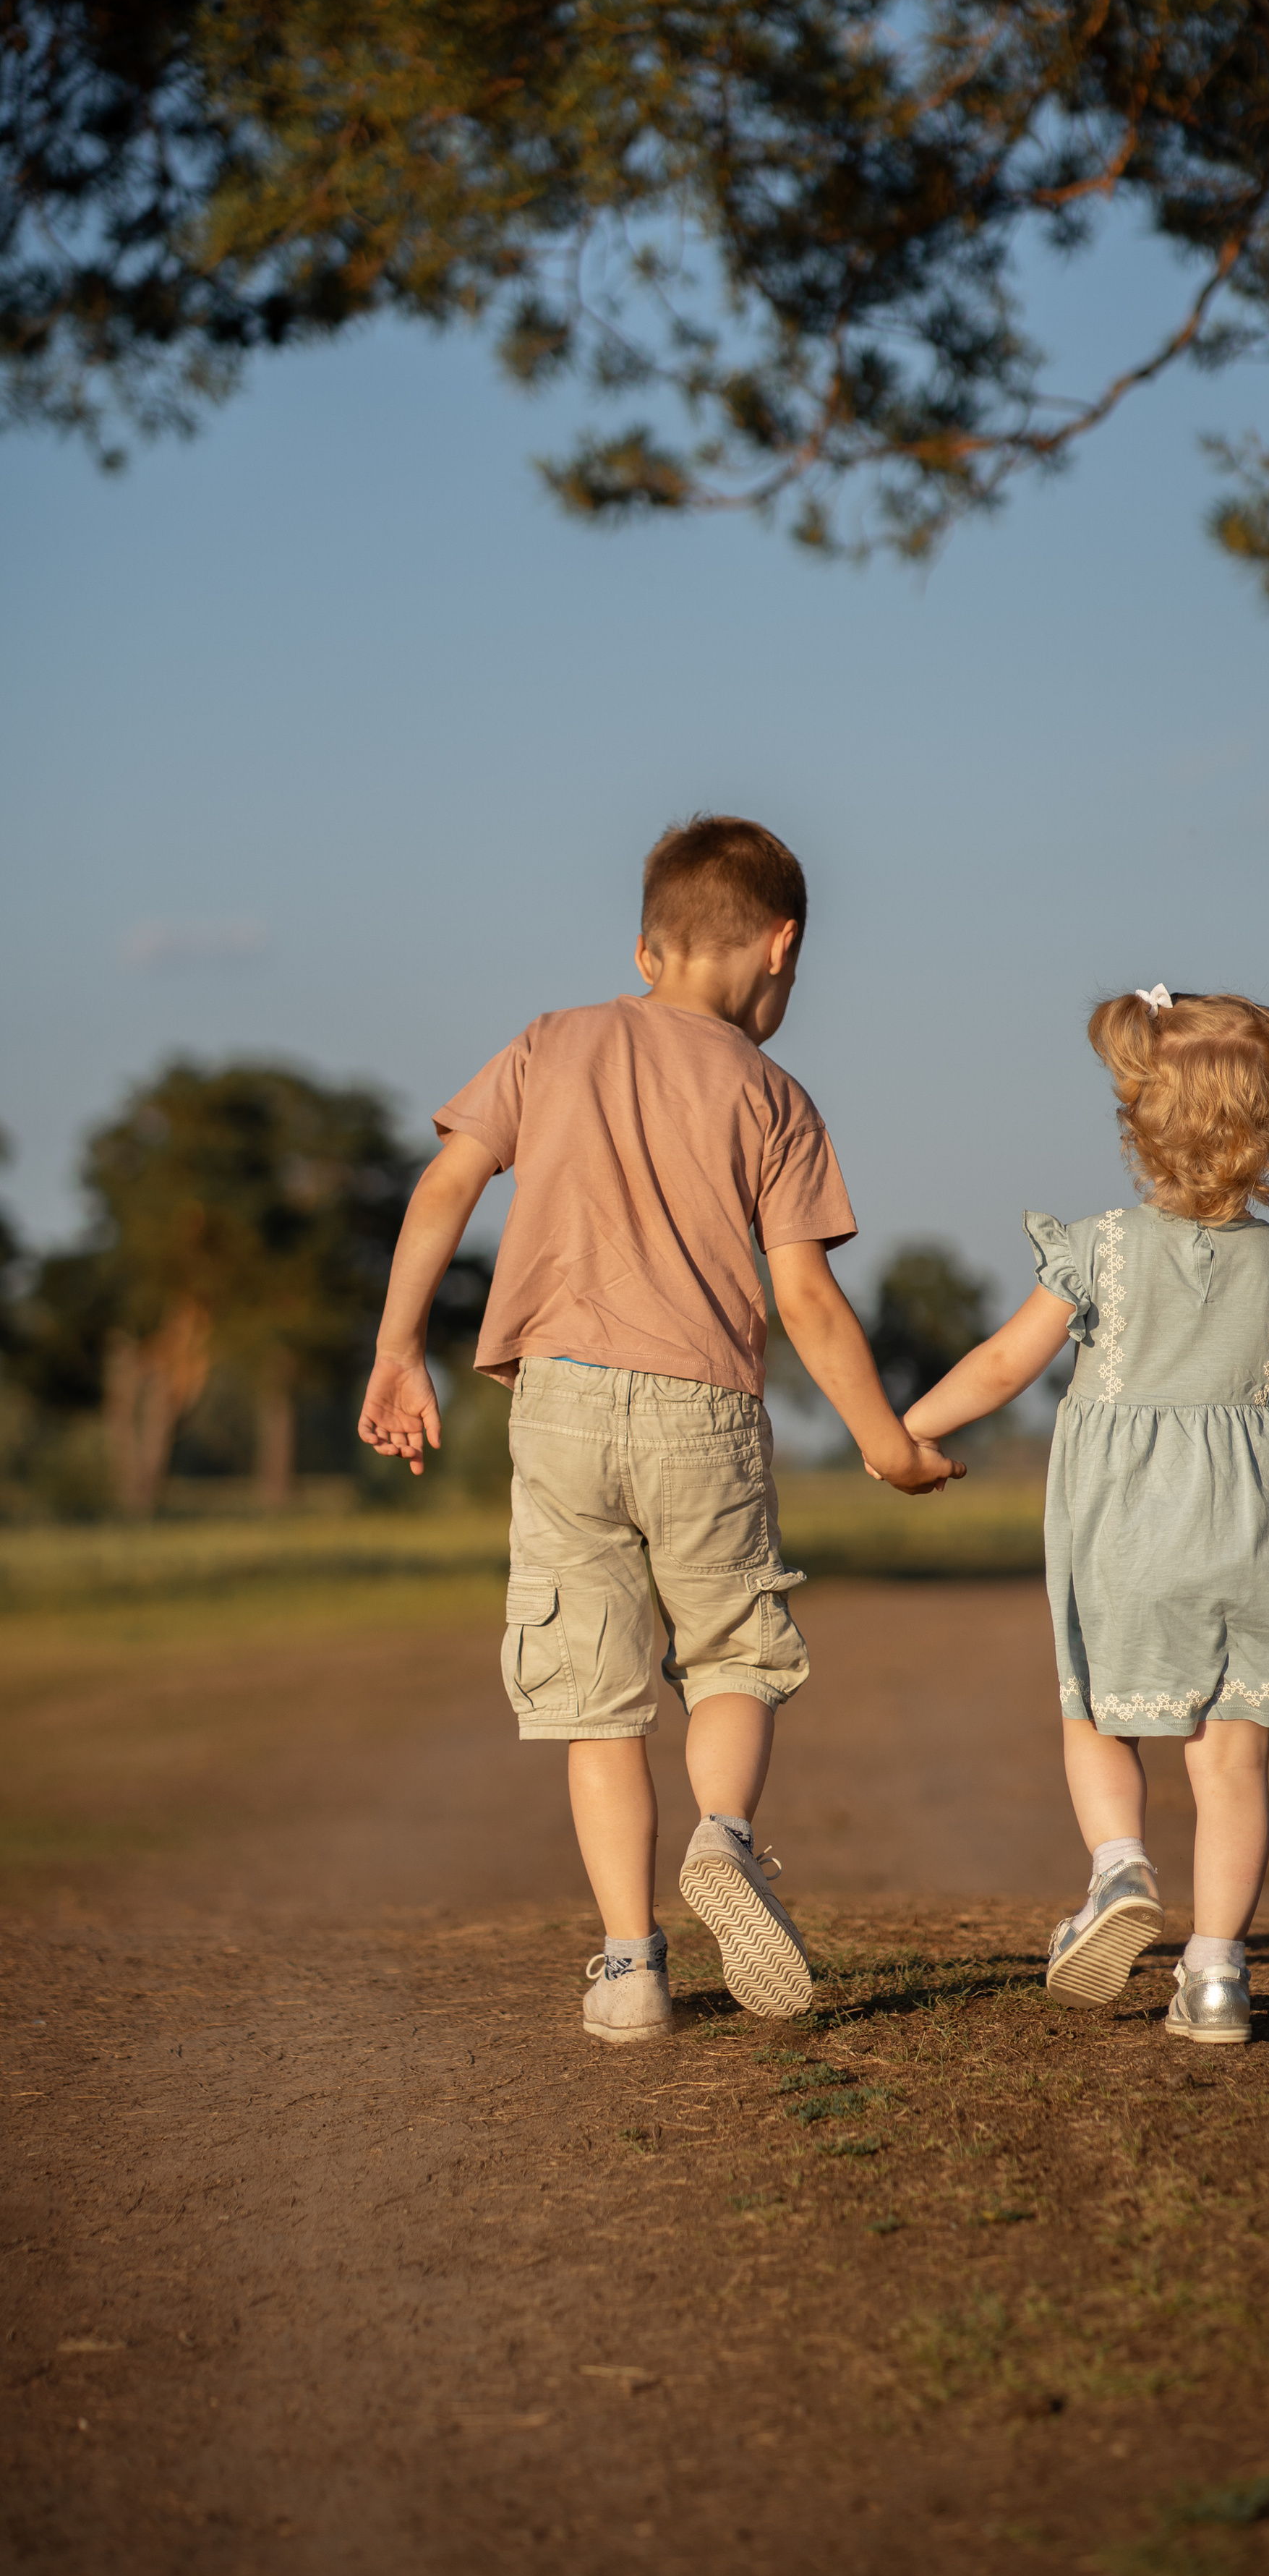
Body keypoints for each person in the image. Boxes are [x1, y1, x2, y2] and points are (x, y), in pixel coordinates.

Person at [357, 816, 962, 2044]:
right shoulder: (775, 1098)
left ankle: (630, 1966)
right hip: (704, 1409)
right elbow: (803, 1297)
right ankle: (726, 1843)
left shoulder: (551, 1042)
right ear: (782, 947)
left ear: (649, 948)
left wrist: (396, 1348)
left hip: (561, 1402)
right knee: (735, 1652)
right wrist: (884, 1440)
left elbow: (447, 1187)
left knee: (597, 1699)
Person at [897, 984, 1269, 2046]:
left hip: (1127, 1535)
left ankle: (1119, 1868)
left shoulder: (1101, 1249)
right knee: (1230, 1761)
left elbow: (1004, 1365)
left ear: (1137, 1113)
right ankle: (1214, 1977)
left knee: (1099, 1714)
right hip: (1255, 1536)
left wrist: (909, 1436)